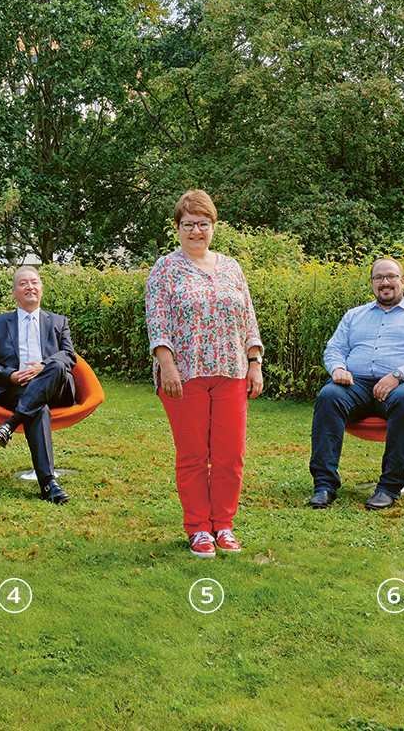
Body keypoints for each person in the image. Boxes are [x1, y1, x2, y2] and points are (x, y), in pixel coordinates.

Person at [145, 190, 263, 558]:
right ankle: (198, 529)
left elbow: (248, 318)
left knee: (230, 455)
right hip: (185, 374)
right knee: (194, 455)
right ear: (177, 228)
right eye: (189, 224)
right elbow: (157, 320)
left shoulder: (231, 267)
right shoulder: (165, 269)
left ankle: (224, 526)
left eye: (203, 223)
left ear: (214, 226)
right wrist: (167, 366)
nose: (196, 230)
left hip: (231, 371)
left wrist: (255, 361)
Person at [308, 258, 404, 511]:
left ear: (403, 281)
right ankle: (324, 486)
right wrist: (338, 368)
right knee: (329, 395)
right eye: (379, 278)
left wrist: (397, 375)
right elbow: (334, 349)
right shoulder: (355, 315)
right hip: (358, 384)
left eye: (391, 276)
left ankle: (389, 488)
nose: (385, 282)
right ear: (372, 283)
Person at [0, 266, 77, 504]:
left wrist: (42, 367)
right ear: (14, 292)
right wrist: (12, 375)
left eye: (34, 282)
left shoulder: (58, 321)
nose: (29, 287)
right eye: (23, 283)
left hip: (56, 388)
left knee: (55, 364)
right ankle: (48, 485)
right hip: (17, 389)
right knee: (38, 408)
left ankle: (10, 424)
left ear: (41, 289)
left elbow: (70, 357)